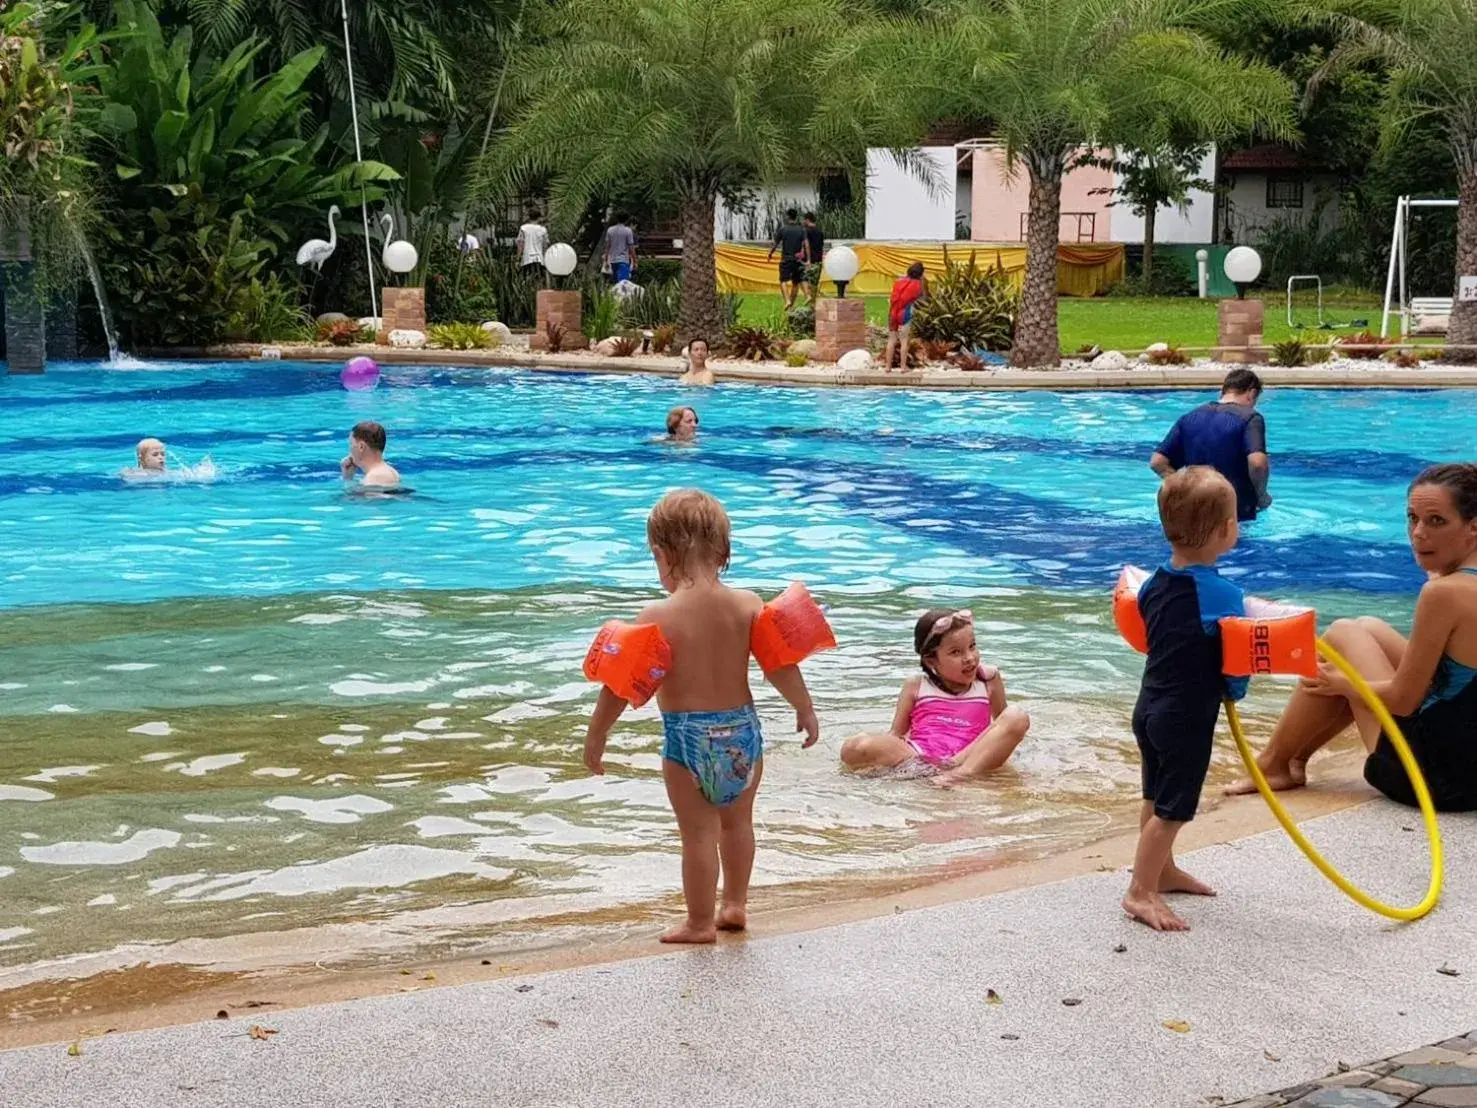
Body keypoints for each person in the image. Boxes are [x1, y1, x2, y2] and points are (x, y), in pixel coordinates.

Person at [581, 489, 821, 942]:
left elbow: (621, 686)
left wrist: (597, 737)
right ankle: (734, 905)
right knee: (738, 824)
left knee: (697, 835)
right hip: (743, 735)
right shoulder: (748, 604)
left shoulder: (656, 615)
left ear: (661, 554)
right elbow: (779, 666)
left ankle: (698, 923)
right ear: (725, 552)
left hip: (687, 740)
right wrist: (804, 708)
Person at [1226, 463, 1477, 812]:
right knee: (1368, 625)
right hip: (1469, 764)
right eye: (1412, 518)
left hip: (1434, 779)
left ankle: (1274, 765)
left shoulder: (1446, 593)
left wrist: (1345, 684)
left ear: (1473, 528)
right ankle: (1291, 762)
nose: (1418, 533)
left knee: (1342, 635)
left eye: (1436, 521)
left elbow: (1404, 700)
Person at [1125, 466, 1248, 932]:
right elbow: (1235, 659)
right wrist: (1236, 689)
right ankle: (1140, 892)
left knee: (1155, 794)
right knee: (1174, 808)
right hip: (1185, 716)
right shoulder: (1223, 594)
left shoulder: (1154, 584)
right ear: (1225, 531)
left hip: (1150, 706)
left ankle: (1163, 870)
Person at [838, 609, 1030, 783]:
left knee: (1016, 716)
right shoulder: (916, 685)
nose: (970, 658)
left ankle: (959, 774)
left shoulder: (987, 680)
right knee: (854, 746)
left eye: (972, 646)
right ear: (931, 661)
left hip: (969, 756)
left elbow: (1001, 727)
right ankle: (929, 772)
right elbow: (896, 734)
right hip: (919, 757)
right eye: (956, 652)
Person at [1150, 369, 1271, 522]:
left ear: (1223, 391)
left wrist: (1186, 488)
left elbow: (1157, 462)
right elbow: (1258, 463)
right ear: (1251, 393)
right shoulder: (1250, 418)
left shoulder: (1189, 417)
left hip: (1196, 510)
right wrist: (1261, 496)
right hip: (1235, 513)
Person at [884, 262, 927, 371]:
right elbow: (923, 298)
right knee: (904, 341)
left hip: (893, 312)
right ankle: (903, 367)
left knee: (891, 339)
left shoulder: (898, 282)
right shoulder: (917, 285)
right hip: (905, 313)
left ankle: (887, 367)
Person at [767, 209, 808, 310]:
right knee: (796, 283)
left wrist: (770, 254)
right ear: (796, 217)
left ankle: (787, 300)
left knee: (783, 280)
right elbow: (806, 245)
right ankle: (792, 305)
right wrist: (806, 256)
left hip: (786, 259)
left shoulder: (783, 229)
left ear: (788, 217)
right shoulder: (801, 230)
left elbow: (775, 244)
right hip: (797, 260)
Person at [340, 421, 400, 488]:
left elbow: (355, 498)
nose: (350, 449)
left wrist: (347, 481)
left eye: (351, 444)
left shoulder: (375, 477)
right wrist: (348, 477)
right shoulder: (391, 472)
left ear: (361, 447)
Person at [603, 212, 637, 284]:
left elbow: (607, 246)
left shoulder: (610, 230)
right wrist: (634, 261)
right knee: (623, 284)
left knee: (616, 283)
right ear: (627, 220)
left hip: (613, 260)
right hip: (623, 260)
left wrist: (606, 260)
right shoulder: (628, 231)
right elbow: (631, 247)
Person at [515, 209, 549, 277]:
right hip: (539, 260)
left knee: (527, 282)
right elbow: (545, 246)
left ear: (529, 217)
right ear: (539, 218)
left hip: (527, 259)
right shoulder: (543, 230)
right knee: (539, 281)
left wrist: (517, 260)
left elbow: (520, 245)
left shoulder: (523, 228)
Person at [801, 212, 825, 303]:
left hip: (809, 260)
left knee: (804, 280)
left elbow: (806, 245)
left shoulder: (805, 231)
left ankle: (809, 299)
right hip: (818, 260)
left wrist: (808, 260)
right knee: (815, 283)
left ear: (807, 220)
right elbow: (821, 246)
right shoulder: (820, 232)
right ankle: (814, 303)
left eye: (804, 220)